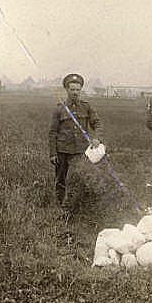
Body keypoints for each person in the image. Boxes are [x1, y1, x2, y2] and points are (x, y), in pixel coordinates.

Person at [48, 73, 103, 210]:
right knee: (60, 180)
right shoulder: (59, 109)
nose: (75, 93)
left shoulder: (86, 107)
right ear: (67, 90)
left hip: (79, 151)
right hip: (62, 151)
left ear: (81, 90)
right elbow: (53, 132)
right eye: (72, 89)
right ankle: (61, 207)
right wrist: (52, 153)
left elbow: (97, 123)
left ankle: (78, 206)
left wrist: (96, 137)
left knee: (79, 178)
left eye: (78, 90)